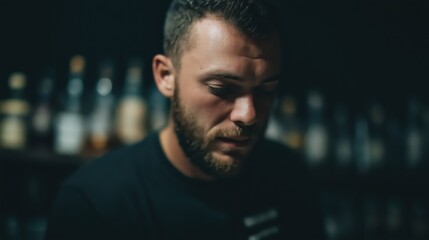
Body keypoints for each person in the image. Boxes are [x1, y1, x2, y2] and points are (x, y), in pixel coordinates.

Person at [45, 0, 327, 239]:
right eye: (222, 89)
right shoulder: (94, 204)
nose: (248, 114)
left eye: (266, 91)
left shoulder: (289, 178)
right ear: (166, 76)